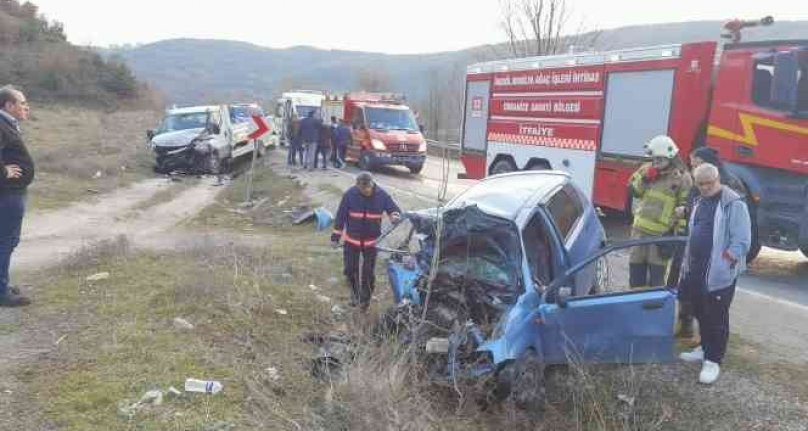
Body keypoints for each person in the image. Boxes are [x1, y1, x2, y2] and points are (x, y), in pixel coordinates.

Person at [678, 163, 751, 385]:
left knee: (717, 316)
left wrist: (725, 261)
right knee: (700, 310)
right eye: (700, 184)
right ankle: (703, 348)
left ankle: (713, 360)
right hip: (697, 268)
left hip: (719, 272)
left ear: (718, 179)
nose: (705, 188)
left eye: (709, 183)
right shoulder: (699, 201)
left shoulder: (733, 204)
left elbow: (742, 240)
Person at [669, 146, 748, 340]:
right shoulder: (701, 186)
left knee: (715, 308)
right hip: (697, 257)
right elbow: (701, 213)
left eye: (696, 163)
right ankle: (695, 335)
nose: (693, 167)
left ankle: (712, 352)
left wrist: (726, 259)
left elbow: (740, 235)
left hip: (719, 262)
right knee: (693, 297)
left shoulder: (730, 191)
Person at [628, 135, 692, 288]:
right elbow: (634, 191)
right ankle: (636, 307)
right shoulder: (646, 169)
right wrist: (644, 178)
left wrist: (679, 236)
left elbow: (684, 209)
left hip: (661, 236)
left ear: (671, 157)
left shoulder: (682, 178)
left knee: (656, 281)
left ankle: (653, 309)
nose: (655, 163)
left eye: (660, 160)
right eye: (654, 159)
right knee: (636, 278)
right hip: (639, 233)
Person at [331, 172, 401, 310]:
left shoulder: (382, 195)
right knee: (350, 270)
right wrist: (335, 237)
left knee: (368, 273)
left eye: (367, 188)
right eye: (362, 189)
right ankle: (355, 295)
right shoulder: (350, 195)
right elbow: (340, 217)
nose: (365, 191)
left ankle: (365, 301)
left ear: (372, 184)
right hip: (351, 241)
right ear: (357, 186)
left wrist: (394, 216)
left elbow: (394, 210)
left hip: (371, 243)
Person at [0, 86, 33, 307]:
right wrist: (3, 171)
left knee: (8, 240)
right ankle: (1, 292)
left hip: (14, 192)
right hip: (7, 193)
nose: (26, 107)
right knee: (5, 241)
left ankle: (3, 284)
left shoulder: (7, 124)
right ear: (9, 105)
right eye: (22, 103)